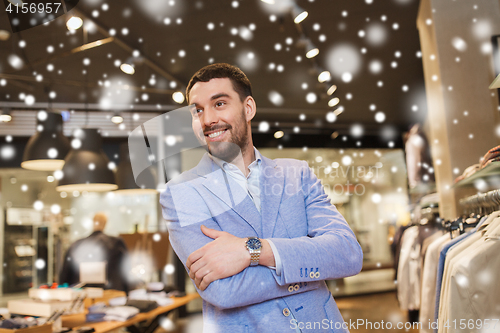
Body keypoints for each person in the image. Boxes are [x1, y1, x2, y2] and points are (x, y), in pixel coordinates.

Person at [160, 63, 363, 332]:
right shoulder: (181, 193)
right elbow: (224, 291)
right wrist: (311, 268)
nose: (207, 119)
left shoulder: (297, 174)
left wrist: (252, 251)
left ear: (248, 108)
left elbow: (346, 254)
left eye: (219, 103)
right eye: (197, 110)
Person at [59, 212, 131, 292]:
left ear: (93, 222)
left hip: (81, 295)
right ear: (105, 223)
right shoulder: (117, 244)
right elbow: (126, 270)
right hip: (110, 295)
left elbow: (65, 275)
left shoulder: (77, 244)